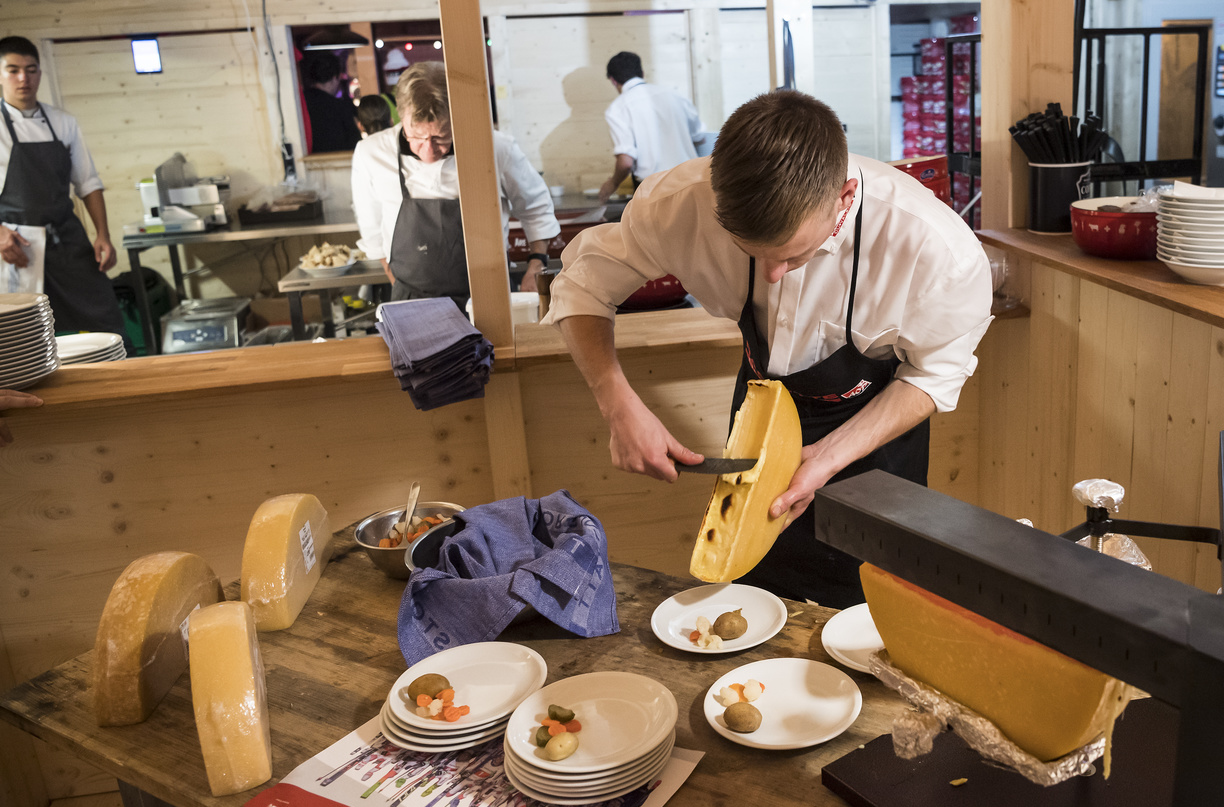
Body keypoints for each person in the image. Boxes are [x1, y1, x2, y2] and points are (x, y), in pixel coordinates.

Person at [547, 91, 992, 609]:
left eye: (797, 255)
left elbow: (934, 374)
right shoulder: (679, 204)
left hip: (876, 438)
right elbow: (582, 287)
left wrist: (828, 456)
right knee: (756, 604)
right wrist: (617, 404)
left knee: (871, 613)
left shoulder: (936, 250)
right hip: (759, 417)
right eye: (752, 255)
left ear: (845, 197)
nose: (774, 275)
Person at [351, 61, 559, 308]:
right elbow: (372, 227)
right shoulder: (371, 153)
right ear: (400, 116)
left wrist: (536, 262)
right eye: (416, 136)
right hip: (411, 300)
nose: (428, 150)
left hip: (488, 297)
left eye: (440, 137)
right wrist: (393, 275)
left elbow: (535, 206)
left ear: (457, 117)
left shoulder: (495, 147)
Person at [0, 36, 125, 337]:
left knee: (106, 322)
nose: (23, 78)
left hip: (66, 239)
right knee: (26, 334)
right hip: (17, 247)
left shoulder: (63, 122)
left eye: (31, 70)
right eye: (13, 69)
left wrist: (103, 235)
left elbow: (88, 183)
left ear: (40, 73)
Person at [597, 51, 706, 203]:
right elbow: (700, 138)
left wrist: (613, 183)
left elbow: (626, 161)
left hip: (655, 190)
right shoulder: (675, 96)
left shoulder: (618, 108)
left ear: (613, 81)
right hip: (692, 182)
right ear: (641, 73)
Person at [301, 52, 360, 154]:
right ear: (335, 78)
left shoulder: (301, 103)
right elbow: (355, 145)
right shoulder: (340, 107)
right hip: (338, 162)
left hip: (307, 162)